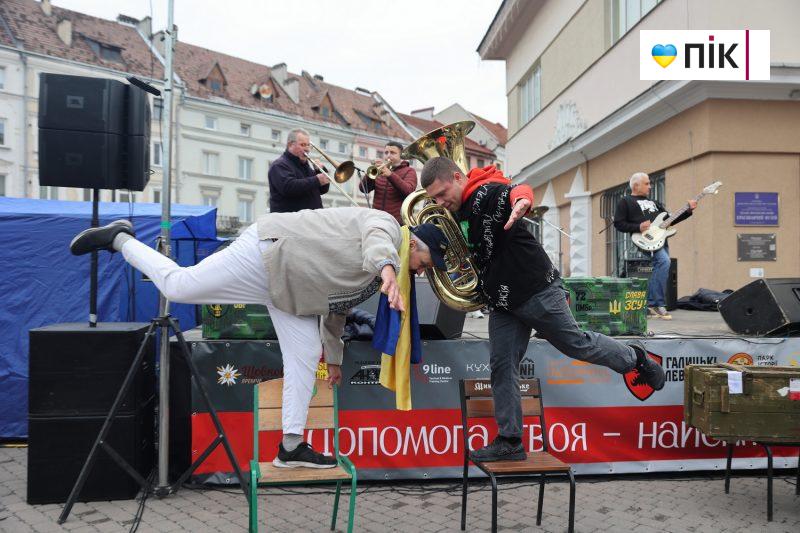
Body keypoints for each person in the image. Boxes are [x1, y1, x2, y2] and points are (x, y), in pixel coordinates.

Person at [69, 208, 450, 469]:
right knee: (180, 286)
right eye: (425, 264)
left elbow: (337, 307)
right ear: (416, 245)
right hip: (268, 254)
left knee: (306, 354)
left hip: (292, 291)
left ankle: (290, 446)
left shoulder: (375, 276)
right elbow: (377, 240)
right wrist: (387, 268)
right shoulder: (386, 227)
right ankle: (121, 239)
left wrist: (333, 357)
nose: (420, 272)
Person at [420, 158, 666, 462]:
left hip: (536, 289)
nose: (441, 202)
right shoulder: (455, 212)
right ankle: (510, 440)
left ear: (458, 178)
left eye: (443, 194)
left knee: (577, 344)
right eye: (435, 199)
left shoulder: (486, 193)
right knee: (502, 364)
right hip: (503, 300)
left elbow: (517, 191)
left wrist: (522, 202)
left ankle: (636, 358)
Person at [613, 172, 697, 320]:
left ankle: (651, 305)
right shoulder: (625, 201)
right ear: (636, 185)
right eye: (646, 183)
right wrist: (638, 227)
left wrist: (688, 210)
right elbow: (619, 223)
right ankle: (656, 304)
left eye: (650, 183)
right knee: (664, 262)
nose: (650, 186)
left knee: (662, 265)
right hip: (645, 239)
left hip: (661, 239)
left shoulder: (654, 203)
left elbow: (670, 220)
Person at [268, 128, 330, 212]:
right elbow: (289, 188)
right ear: (290, 145)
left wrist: (320, 171)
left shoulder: (306, 166)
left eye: (308, 145)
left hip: (311, 217)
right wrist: (316, 180)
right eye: (303, 145)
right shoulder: (279, 165)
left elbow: (322, 190)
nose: (307, 149)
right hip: (290, 218)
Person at [358, 142, 418, 224]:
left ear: (401, 155)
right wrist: (370, 174)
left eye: (392, 153)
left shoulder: (409, 171)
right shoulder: (381, 170)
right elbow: (363, 189)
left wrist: (390, 175)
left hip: (397, 222)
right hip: (376, 219)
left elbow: (409, 191)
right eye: (386, 153)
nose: (388, 155)